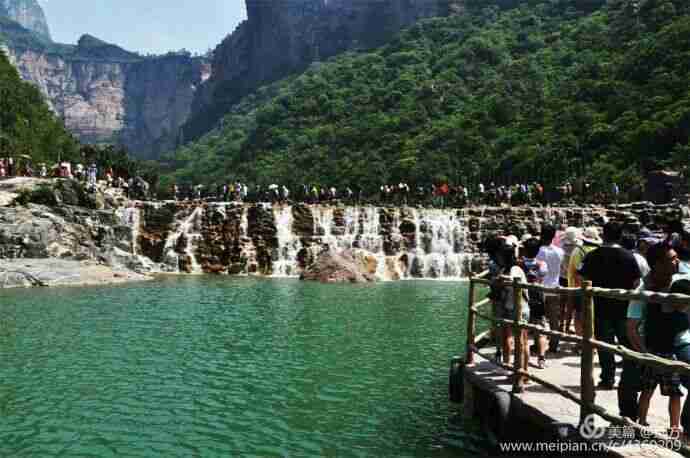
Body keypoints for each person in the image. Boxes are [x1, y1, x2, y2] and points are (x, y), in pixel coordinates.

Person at [579, 221, 642, 401]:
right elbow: (636, 282)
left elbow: (582, 276)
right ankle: (631, 378)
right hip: (623, 308)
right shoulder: (629, 256)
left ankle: (607, 378)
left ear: (604, 234)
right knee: (628, 343)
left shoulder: (593, 256)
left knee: (604, 345)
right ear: (621, 235)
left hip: (599, 307)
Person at [627, 244, 684, 432]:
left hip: (672, 348)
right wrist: (645, 355)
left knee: (675, 393)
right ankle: (640, 424)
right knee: (647, 390)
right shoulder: (645, 289)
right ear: (658, 264)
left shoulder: (681, 282)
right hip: (653, 349)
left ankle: (674, 428)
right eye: (672, 259)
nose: (677, 262)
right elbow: (632, 328)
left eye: (677, 257)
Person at [521, 237, 549, 369]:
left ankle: (523, 361)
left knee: (524, 330)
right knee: (541, 330)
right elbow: (542, 278)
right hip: (538, 297)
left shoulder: (518, 264)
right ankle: (541, 358)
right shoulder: (542, 265)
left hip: (524, 298)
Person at [537, 224, 564, 353]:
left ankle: (539, 345)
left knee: (539, 318)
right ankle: (554, 344)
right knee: (554, 318)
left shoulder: (539, 251)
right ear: (554, 236)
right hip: (555, 286)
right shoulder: (560, 251)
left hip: (541, 287)